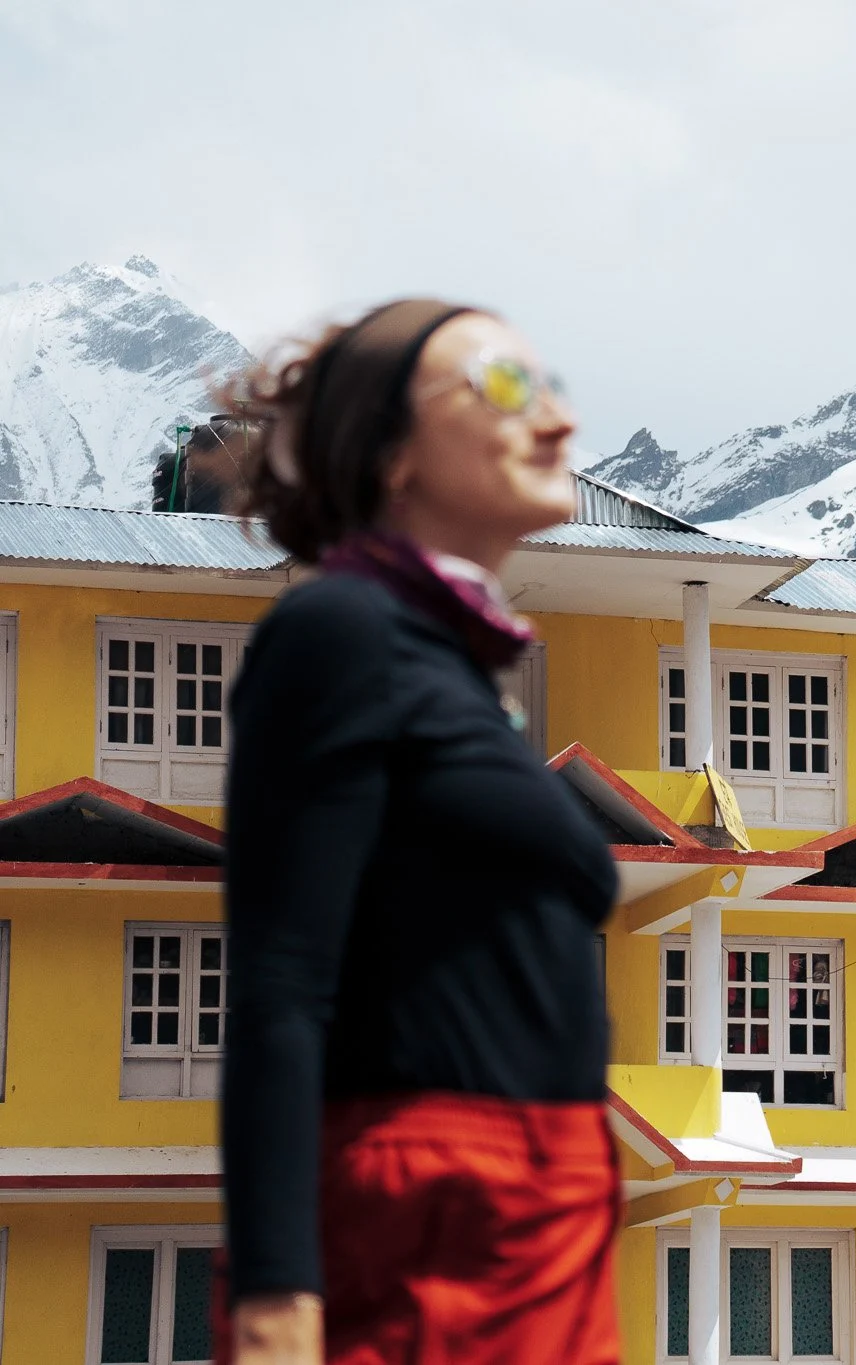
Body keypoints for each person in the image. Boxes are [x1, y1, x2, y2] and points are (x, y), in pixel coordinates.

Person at [218, 300, 620, 1365]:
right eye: (502, 389)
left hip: (541, 1214)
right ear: (389, 451)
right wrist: (273, 1298)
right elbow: (279, 980)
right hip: (431, 1214)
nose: (555, 423)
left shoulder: (452, 666)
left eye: (553, 386)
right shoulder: (337, 631)